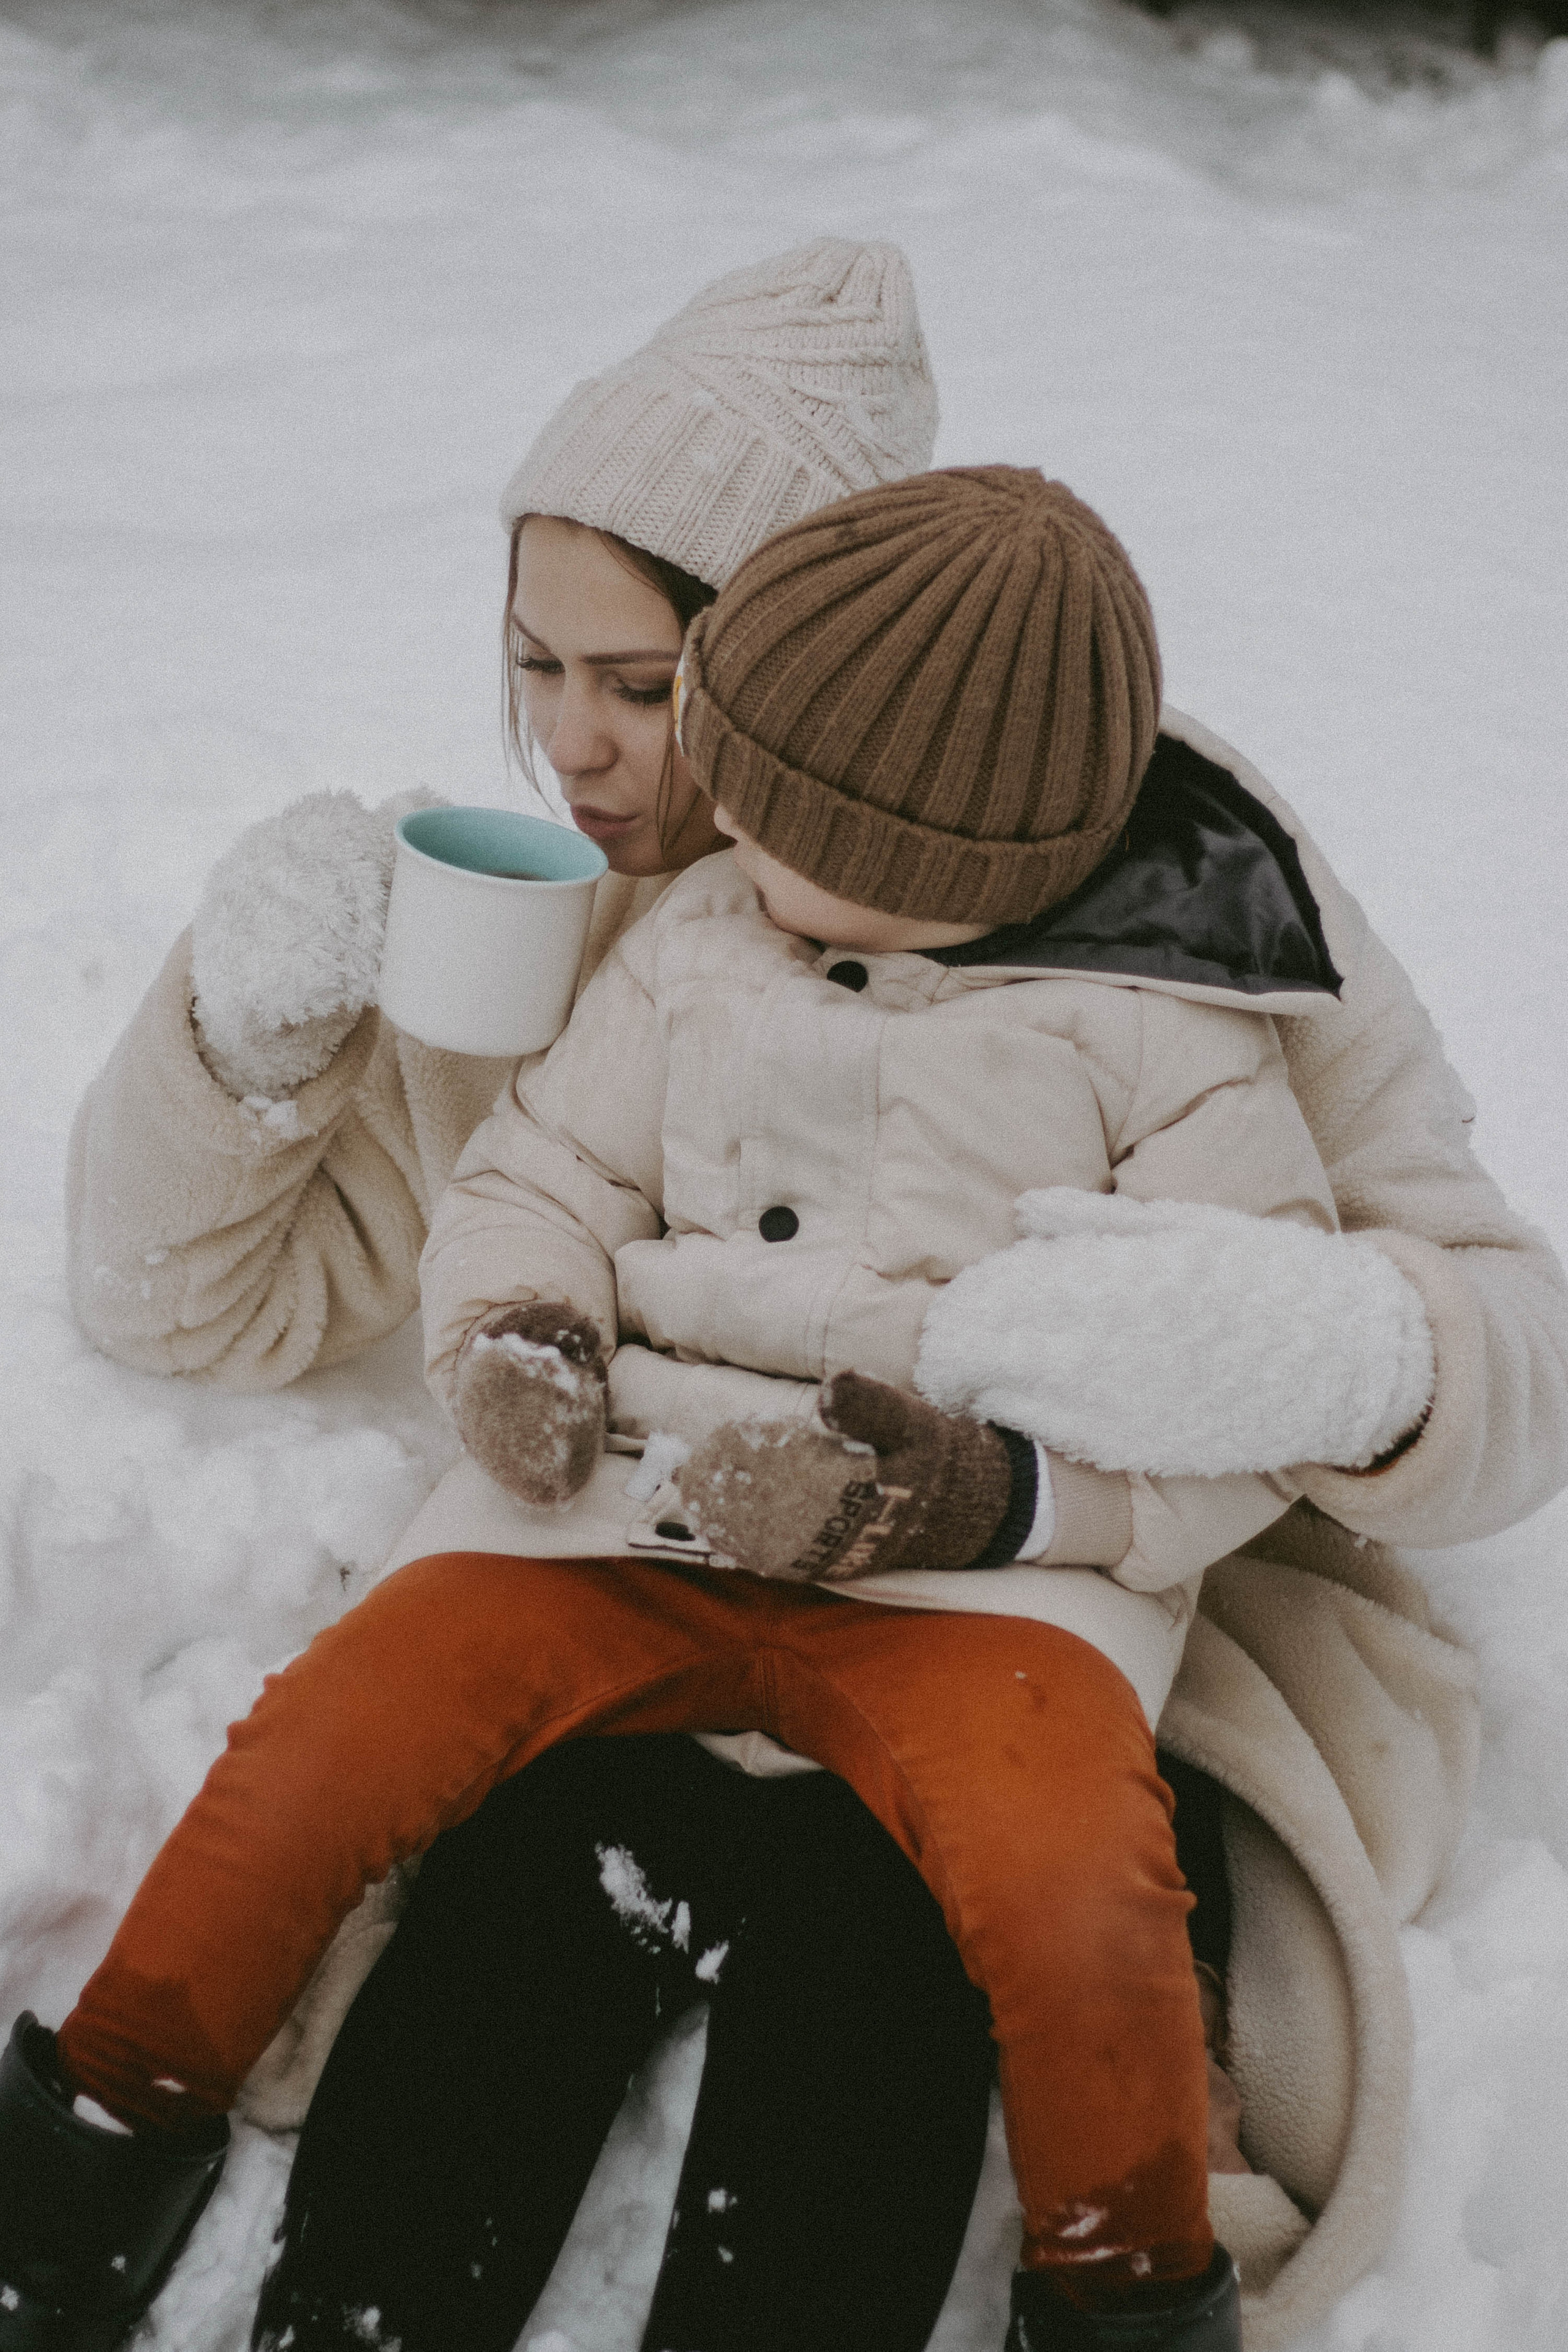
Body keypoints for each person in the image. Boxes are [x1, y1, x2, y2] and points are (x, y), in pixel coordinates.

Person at [25, 237, 1568, 2352]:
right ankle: (104, 2174)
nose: (573, 747)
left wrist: (1296, 1364)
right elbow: (204, 1295)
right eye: (532, 662)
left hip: (986, 1585)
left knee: (925, 1975)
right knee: (448, 1909)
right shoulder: (591, 919)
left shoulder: (1176, 917)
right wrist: (244, 1036)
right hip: (635, 1534)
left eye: (645, 686)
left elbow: (1477, 1329)